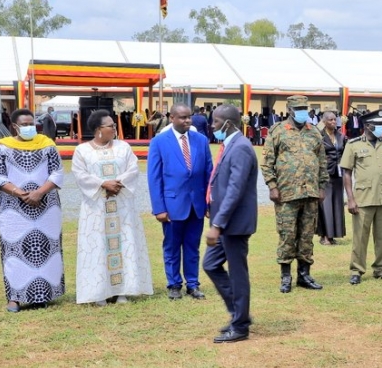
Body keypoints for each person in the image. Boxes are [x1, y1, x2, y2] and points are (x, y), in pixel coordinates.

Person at [71, 110, 153, 306]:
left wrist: (117, 184)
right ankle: (99, 293)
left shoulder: (123, 147)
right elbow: (80, 174)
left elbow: (133, 169)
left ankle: (122, 290)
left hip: (122, 206)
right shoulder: (82, 151)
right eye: (111, 126)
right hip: (96, 207)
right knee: (98, 245)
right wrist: (102, 184)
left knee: (124, 244)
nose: (115, 129)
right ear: (99, 129)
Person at [0, 108, 65, 313]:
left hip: (46, 206)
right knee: (14, 249)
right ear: (14, 126)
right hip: (13, 209)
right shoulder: (2, 147)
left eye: (31, 123)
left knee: (44, 247)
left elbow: (57, 172)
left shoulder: (47, 145)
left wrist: (39, 192)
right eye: (24, 124)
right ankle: (14, 297)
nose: (30, 127)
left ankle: (42, 294)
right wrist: (21, 194)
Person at [202, 105, 258, 343]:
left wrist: (218, 223)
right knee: (211, 264)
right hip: (224, 222)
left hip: (234, 224)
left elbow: (235, 190)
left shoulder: (242, 148)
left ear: (228, 123)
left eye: (216, 122)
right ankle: (239, 313)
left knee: (238, 274)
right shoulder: (230, 145)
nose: (212, 126)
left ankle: (241, 325)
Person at [261, 95, 328, 293]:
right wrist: (273, 186)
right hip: (286, 193)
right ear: (289, 109)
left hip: (310, 193)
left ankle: (304, 275)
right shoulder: (278, 131)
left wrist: (322, 186)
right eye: (298, 108)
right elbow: (267, 162)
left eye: (304, 108)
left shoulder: (313, 132)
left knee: (306, 235)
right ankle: (285, 276)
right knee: (287, 234)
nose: (302, 111)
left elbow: (322, 161)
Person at [147, 103, 213, 300]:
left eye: (189, 117)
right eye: (183, 117)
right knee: (172, 247)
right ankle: (174, 284)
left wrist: (209, 203)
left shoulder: (201, 140)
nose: (187, 121)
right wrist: (159, 208)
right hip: (172, 205)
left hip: (197, 206)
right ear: (172, 118)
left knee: (193, 246)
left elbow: (209, 174)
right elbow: (154, 177)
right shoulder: (159, 142)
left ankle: (193, 284)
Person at [340, 109, 382, 284]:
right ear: (367, 125)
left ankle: (380, 269)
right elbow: (346, 173)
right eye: (379, 124)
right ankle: (357, 270)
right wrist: (350, 199)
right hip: (363, 198)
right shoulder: (353, 145)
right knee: (360, 237)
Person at [317, 111, 346, 246]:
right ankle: (325, 236)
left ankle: (334, 234)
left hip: (339, 175)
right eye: (330, 120)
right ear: (324, 121)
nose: (333, 122)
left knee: (337, 204)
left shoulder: (341, 136)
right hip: (324, 174)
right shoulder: (319, 136)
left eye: (335, 119)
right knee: (325, 205)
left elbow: (345, 153)